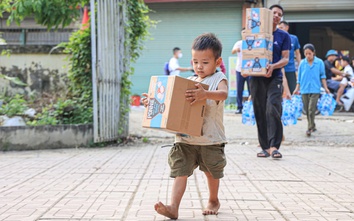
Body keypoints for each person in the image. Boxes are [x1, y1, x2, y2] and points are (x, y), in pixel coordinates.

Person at [142, 33, 228, 219]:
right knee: (180, 171)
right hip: (185, 139)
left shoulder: (218, 79)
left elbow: (223, 94)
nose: (199, 66)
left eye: (205, 62)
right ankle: (173, 207)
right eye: (196, 62)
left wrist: (206, 94)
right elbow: (171, 104)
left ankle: (213, 199)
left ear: (217, 61)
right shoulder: (190, 82)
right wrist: (152, 103)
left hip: (210, 139)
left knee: (211, 172)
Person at [243, 4, 291, 159]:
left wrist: (273, 66)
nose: (277, 15)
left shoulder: (284, 36)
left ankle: (274, 146)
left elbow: (285, 59)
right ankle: (264, 147)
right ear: (268, 15)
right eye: (274, 13)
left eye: (280, 14)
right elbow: (247, 52)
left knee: (273, 108)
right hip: (256, 78)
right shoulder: (255, 33)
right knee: (260, 110)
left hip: (275, 76)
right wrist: (245, 68)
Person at [293, 43, 330, 136]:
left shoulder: (320, 62)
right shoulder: (302, 63)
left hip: (315, 89)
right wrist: (296, 88)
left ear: (313, 53)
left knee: (311, 109)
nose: (308, 56)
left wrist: (326, 88)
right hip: (304, 89)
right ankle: (312, 125)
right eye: (306, 54)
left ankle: (309, 128)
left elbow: (323, 76)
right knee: (306, 109)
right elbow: (299, 78)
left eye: (309, 53)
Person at [278, 20, 301, 94]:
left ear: (287, 27)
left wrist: (300, 65)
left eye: (281, 28)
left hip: (291, 67)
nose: (280, 30)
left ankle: (293, 104)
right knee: (279, 89)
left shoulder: (294, 38)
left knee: (293, 89)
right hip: (279, 67)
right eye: (279, 28)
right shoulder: (276, 38)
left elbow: (297, 53)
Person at [231, 31, 250, 114]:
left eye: (246, 32)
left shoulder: (251, 42)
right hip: (239, 69)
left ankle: (251, 106)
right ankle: (239, 107)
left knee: (251, 89)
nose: (244, 34)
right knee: (239, 89)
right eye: (243, 32)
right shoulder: (238, 43)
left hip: (249, 69)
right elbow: (232, 51)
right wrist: (236, 49)